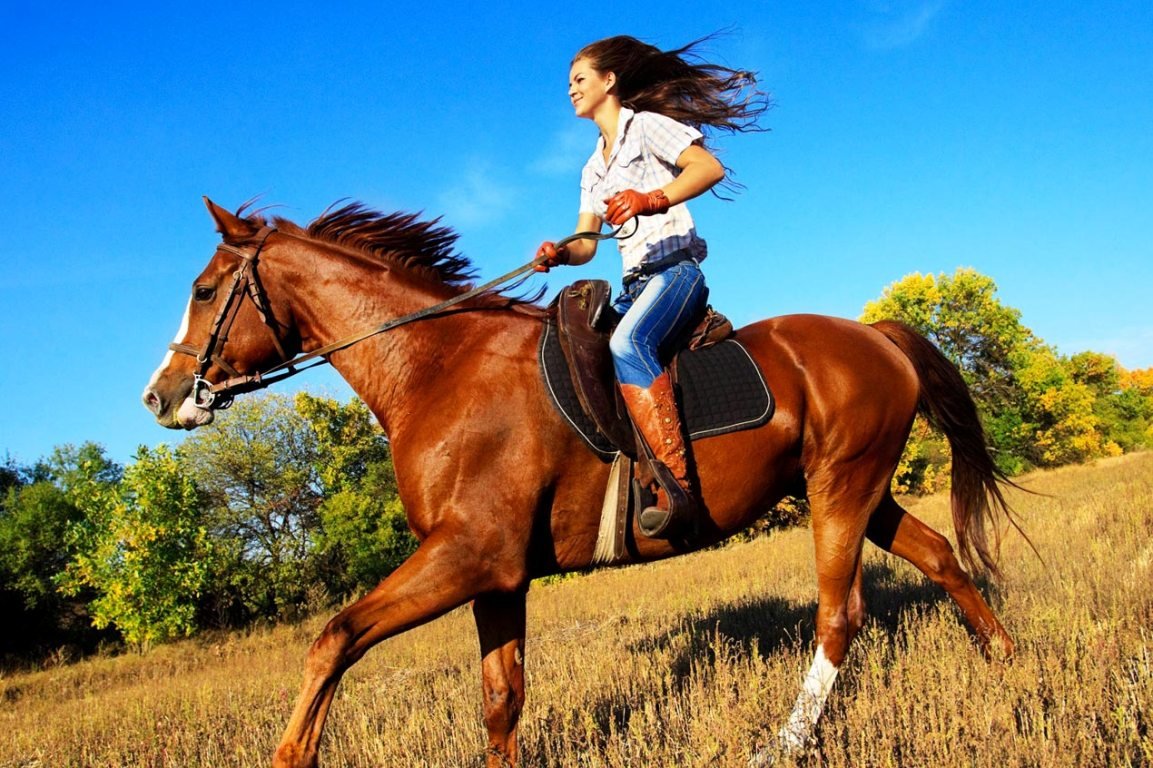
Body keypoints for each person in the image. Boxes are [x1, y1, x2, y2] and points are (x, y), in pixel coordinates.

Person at [536, 34, 767, 538]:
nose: (571, 90)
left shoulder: (646, 128)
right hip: (633, 286)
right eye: (568, 83)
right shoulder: (592, 167)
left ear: (609, 81)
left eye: (580, 80)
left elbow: (708, 168)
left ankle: (675, 486)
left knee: (627, 341)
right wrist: (559, 254)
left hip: (675, 273)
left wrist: (652, 199)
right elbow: (587, 243)